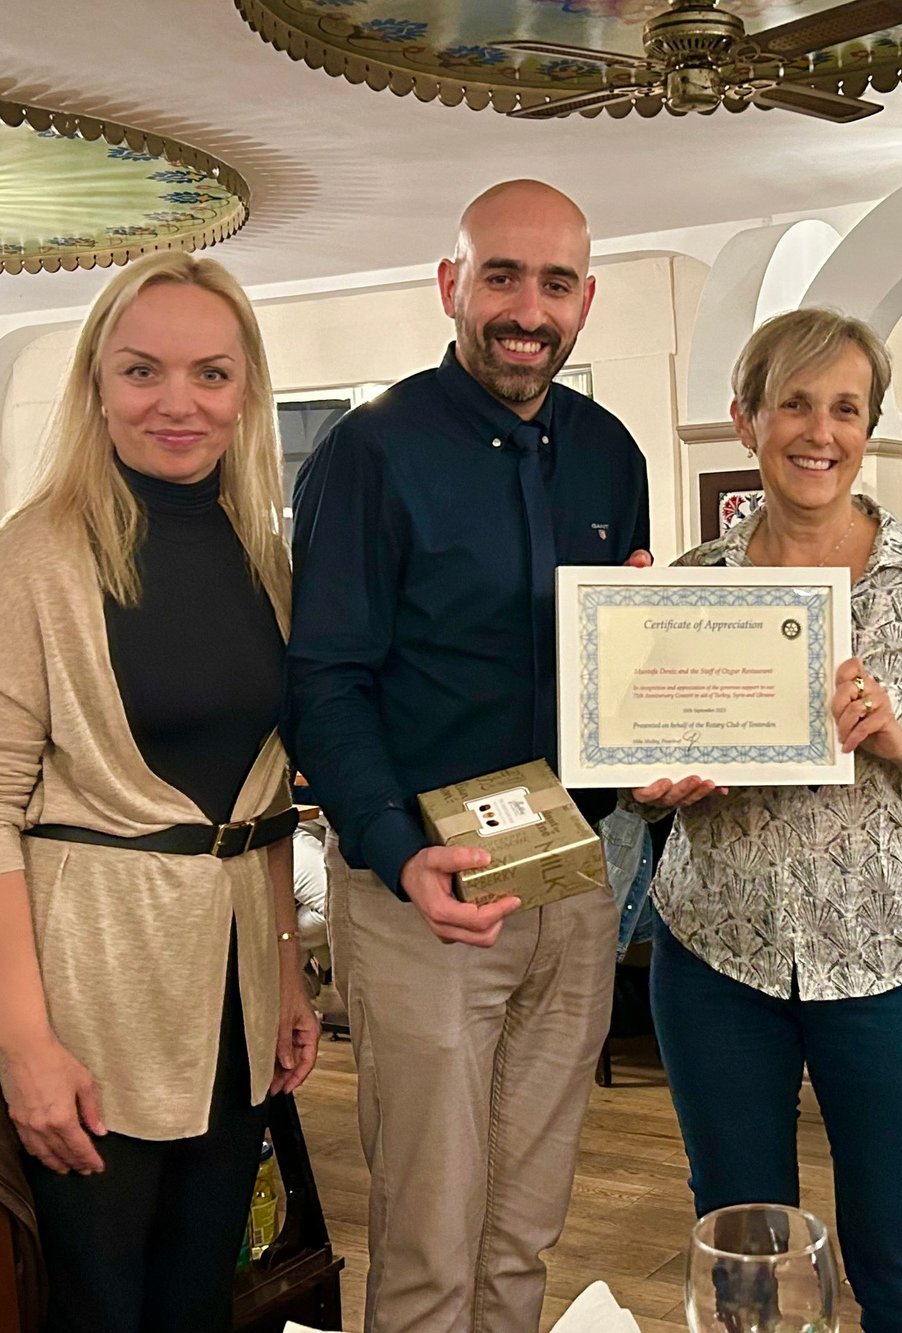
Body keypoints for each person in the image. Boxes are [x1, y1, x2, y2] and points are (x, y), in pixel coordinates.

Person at [283, 179, 651, 1333]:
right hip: (421, 892)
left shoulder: (612, 453)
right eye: (500, 275)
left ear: (585, 301)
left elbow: (623, 665)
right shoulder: (368, 453)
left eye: (552, 284)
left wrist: (663, 735)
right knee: (431, 1244)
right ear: (451, 284)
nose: (524, 308)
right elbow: (321, 683)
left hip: (573, 882)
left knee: (524, 1232)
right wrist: (399, 855)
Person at [0, 251, 319, 1333]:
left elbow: (266, 796)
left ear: (245, 387)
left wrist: (289, 973)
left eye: (210, 373)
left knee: (202, 1298)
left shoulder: (264, 553)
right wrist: (25, 1043)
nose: (177, 403)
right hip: (93, 991)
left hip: (236, 995)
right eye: (142, 371)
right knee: (105, 1308)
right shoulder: (34, 557)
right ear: (95, 384)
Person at [636, 308, 902, 1333]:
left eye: (845, 407)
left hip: (888, 954)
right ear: (744, 418)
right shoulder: (691, 587)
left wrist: (895, 740)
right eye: (793, 402)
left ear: (869, 426)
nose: (819, 430)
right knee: (741, 1257)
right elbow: (640, 765)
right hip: (716, 956)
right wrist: (653, 784)